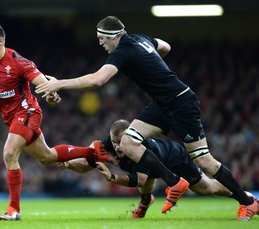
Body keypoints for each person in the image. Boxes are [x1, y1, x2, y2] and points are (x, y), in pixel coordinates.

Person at [35, 15, 259, 220]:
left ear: (115, 37)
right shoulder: (141, 40)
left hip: (181, 103)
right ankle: (174, 182)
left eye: (102, 38)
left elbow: (97, 80)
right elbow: (165, 47)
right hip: (162, 103)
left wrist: (59, 84)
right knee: (128, 142)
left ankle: (248, 202)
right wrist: (149, 62)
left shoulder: (122, 51)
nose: (101, 43)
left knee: (203, 161)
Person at [0, 23, 107, 221]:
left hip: (28, 112)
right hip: (11, 118)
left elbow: (42, 82)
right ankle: (93, 151)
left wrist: (51, 95)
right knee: (47, 157)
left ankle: (14, 210)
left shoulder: (19, 62)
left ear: (1, 41)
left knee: (9, 153)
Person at [60, 119, 259, 219]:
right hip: (154, 165)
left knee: (205, 189)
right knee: (147, 182)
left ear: (129, 136)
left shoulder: (138, 147)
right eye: (114, 141)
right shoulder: (108, 144)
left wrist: (112, 176)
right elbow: (88, 165)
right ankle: (145, 203)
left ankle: (246, 198)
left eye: (121, 141)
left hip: (175, 158)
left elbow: (137, 180)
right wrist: (69, 164)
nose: (118, 146)